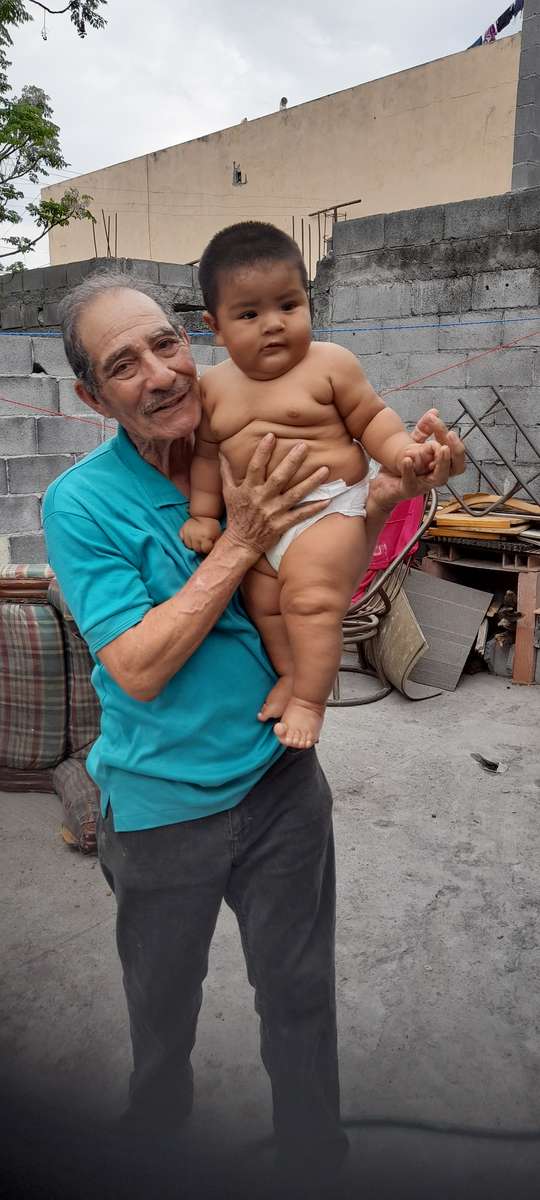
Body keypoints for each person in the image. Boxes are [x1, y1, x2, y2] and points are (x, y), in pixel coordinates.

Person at [42, 270, 464, 1183]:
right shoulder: (81, 506)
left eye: (164, 344)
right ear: (89, 396)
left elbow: (324, 587)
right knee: (164, 1007)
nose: (159, 374)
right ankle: (156, 1141)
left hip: (280, 786)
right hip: (160, 810)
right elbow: (140, 667)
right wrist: (238, 537)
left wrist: (397, 489)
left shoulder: (262, 438)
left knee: (300, 994)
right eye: (123, 365)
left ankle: (315, 1157)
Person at [181, 221, 439, 752]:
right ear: (215, 326)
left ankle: (311, 701)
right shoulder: (211, 388)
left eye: (288, 306)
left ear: (308, 303)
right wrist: (205, 514)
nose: (272, 325)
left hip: (328, 511)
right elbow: (207, 456)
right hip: (256, 533)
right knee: (265, 606)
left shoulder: (330, 364)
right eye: (249, 314)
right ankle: (290, 674)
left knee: (311, 604)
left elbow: (374, 422)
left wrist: (404, 454)